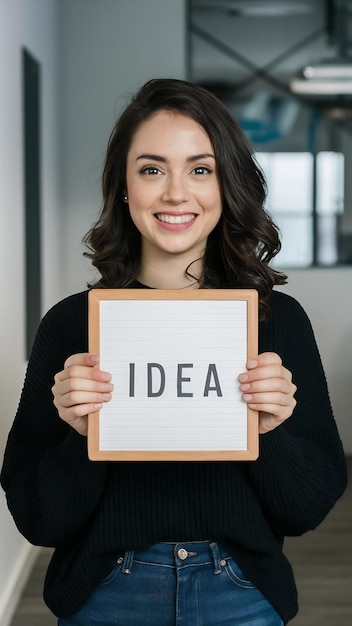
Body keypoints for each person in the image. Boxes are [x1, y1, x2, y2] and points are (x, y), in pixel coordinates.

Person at [1, 78, 347, 626]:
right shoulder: (71, 326)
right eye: (152, 168)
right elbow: (39, 521)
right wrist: (78, 435)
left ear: (225, 185)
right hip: (105, 593)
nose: (176, 194)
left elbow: (306, 509)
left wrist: (270, 428)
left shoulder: (276, 322)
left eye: (200, 169)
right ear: (123, 186)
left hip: (242, 592)